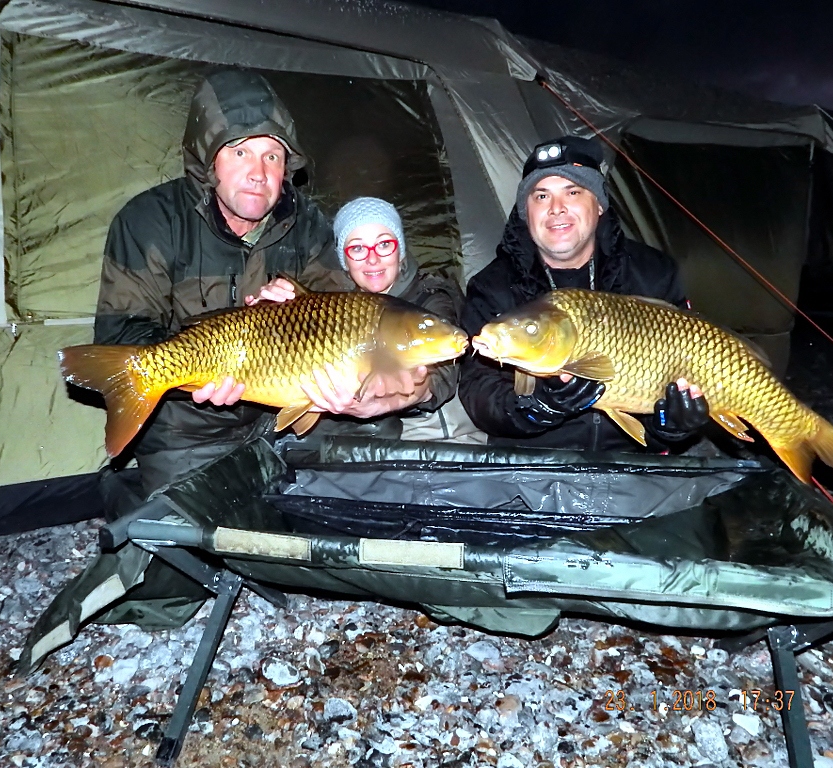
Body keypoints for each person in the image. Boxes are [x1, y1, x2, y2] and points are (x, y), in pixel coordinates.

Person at [94, 68, 350, 493]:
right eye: (240, 151)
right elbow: (121, 331)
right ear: (208, 158)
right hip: (186, 428)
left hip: (282, 414)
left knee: (360, 478)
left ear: (287, 166)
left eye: (272, 156)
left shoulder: (308, 224)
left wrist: (304, 308)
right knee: (197, 531)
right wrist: (198, 372)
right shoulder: (150, 221)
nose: (258, 172)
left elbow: (343, 315)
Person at [458, 135, 710, 451]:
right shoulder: (493, 286)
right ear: (526, 212)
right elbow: (480, 393)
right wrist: (539, 407)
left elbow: (687, 374)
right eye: (541, 196)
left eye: (573, 192)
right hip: (533, 466)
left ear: (599, 205)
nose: (556, 209)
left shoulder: (653, 273)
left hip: (632, 463)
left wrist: (671, 429)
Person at [250, 197, 469, 440]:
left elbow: (440, 377)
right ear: (344, 261)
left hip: (428, 431)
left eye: (384, 244)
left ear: (401, 250)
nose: (372, 259)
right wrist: (265, 315)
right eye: (357, 248)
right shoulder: (336, 303)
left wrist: (391, 401)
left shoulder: (431, 296)